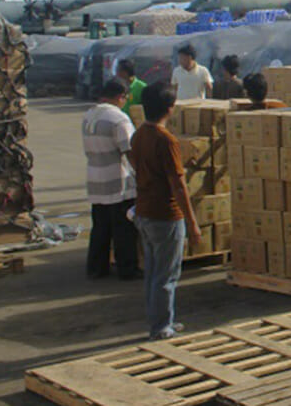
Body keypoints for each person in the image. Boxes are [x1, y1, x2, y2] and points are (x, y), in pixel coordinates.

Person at [129, 81, 202, 340]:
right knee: (167, 274)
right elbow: (178, 185)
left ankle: (161, 318)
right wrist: (192, 224)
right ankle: (161, 328)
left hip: (144, 211)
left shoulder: (138, 135)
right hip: (165, 214)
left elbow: (139, 165)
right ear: (170, 109)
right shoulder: (166, 140)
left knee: (153, 270)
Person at [82, 79, 139, 280]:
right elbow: (129, 150)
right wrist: (140, 174)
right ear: (120, 97)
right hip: (117, 180)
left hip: (95, 178)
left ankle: (96, 267)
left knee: (100, 227)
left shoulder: (89, 115)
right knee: (123, 229)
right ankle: (127, 268)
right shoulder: (118, 118)